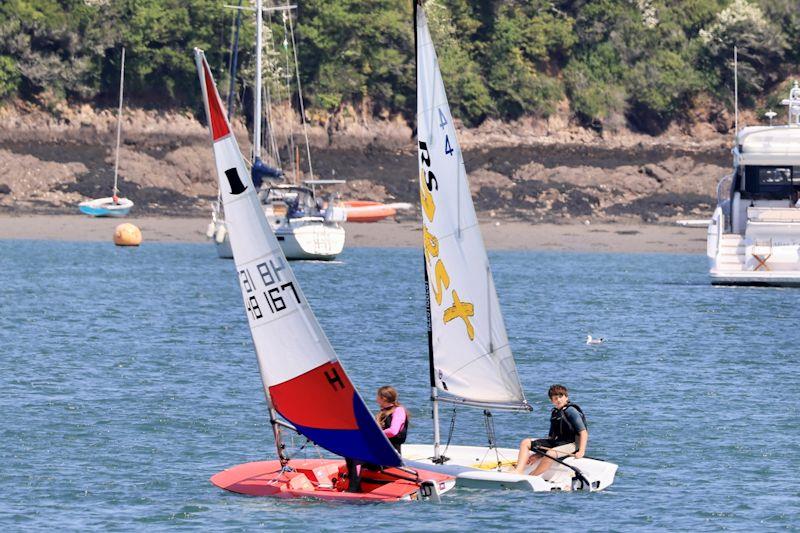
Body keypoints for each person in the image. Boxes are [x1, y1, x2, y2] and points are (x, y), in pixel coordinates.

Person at [514, 384, 588, 476]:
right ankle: (518, 471)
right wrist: (539, 454)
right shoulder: (555, 412)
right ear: (551, 400)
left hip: (572, 444)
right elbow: (551, 437)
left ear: (566, 397)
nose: (558, 400)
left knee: (550, 453)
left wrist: (581, 451)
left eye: (561, 397)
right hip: (557, 442)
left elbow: (583, 432)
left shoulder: (571, 411)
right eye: (555, 398)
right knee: (525, 442)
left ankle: (532, 476)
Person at [375, 386, 409, 453]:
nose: (376, 398)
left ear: (384, 398)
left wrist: (375, 434)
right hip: (381, 446)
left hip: (392, 450)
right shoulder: (382, 412)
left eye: (377, 395)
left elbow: (393, 431)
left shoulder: (398, 410)